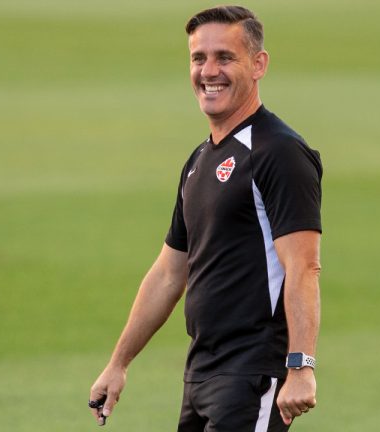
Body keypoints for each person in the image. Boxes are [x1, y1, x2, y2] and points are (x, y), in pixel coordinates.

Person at [89, 5, 323, 431]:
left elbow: (303, 264)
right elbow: (168, 272)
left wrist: (301, 366)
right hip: (201, 371)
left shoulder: (278, 152)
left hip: (253, 372)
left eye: (225, 57)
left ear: (258, 64)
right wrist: (118, 363)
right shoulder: (199, 160)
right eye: (199, 58)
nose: (208, 71)